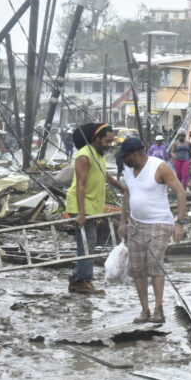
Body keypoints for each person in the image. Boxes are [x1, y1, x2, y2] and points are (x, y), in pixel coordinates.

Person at [118, 138, 186, 324]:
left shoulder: (159, 167)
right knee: (137, 269)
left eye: (125, 157)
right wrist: (123, 221)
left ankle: (158, 309)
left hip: (159, 223)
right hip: (136, 223)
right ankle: (145, 310)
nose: (123, 161)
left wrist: (179, 222)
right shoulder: (128, 171)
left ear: (135, 154)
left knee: (154, 265)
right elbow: (127, 193)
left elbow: (180, 191)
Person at [65, 123, 125, 295]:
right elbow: (80, 185)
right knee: (86, 244)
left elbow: (106, 176)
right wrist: (81, 214)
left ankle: (78, 277)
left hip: (93, 206)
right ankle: (81, 281)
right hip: (81, 206)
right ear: (96, 138)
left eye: (111, 141)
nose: (109, 145)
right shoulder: (84, 156)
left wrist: (123, 188)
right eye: (107, 141)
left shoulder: (98, 156)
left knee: (89, 243)